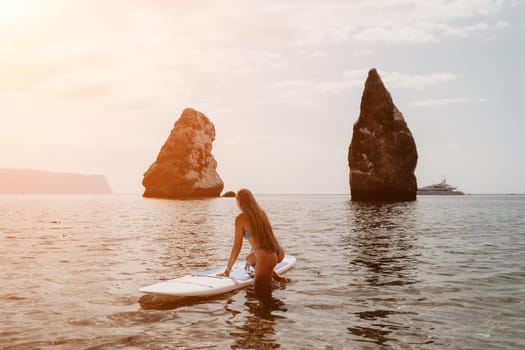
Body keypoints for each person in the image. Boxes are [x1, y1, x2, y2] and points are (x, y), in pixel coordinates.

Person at [218, 188, 286, 292]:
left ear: (239, 201)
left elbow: (237, 247)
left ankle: (266, 270)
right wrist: (255, 255)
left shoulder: (240, 219)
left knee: (261, 294)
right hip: (278, 251)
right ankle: (277, 277)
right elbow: (262, 237)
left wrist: (227, 270)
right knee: (249, 259)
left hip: (266, 255)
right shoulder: (261, 213)